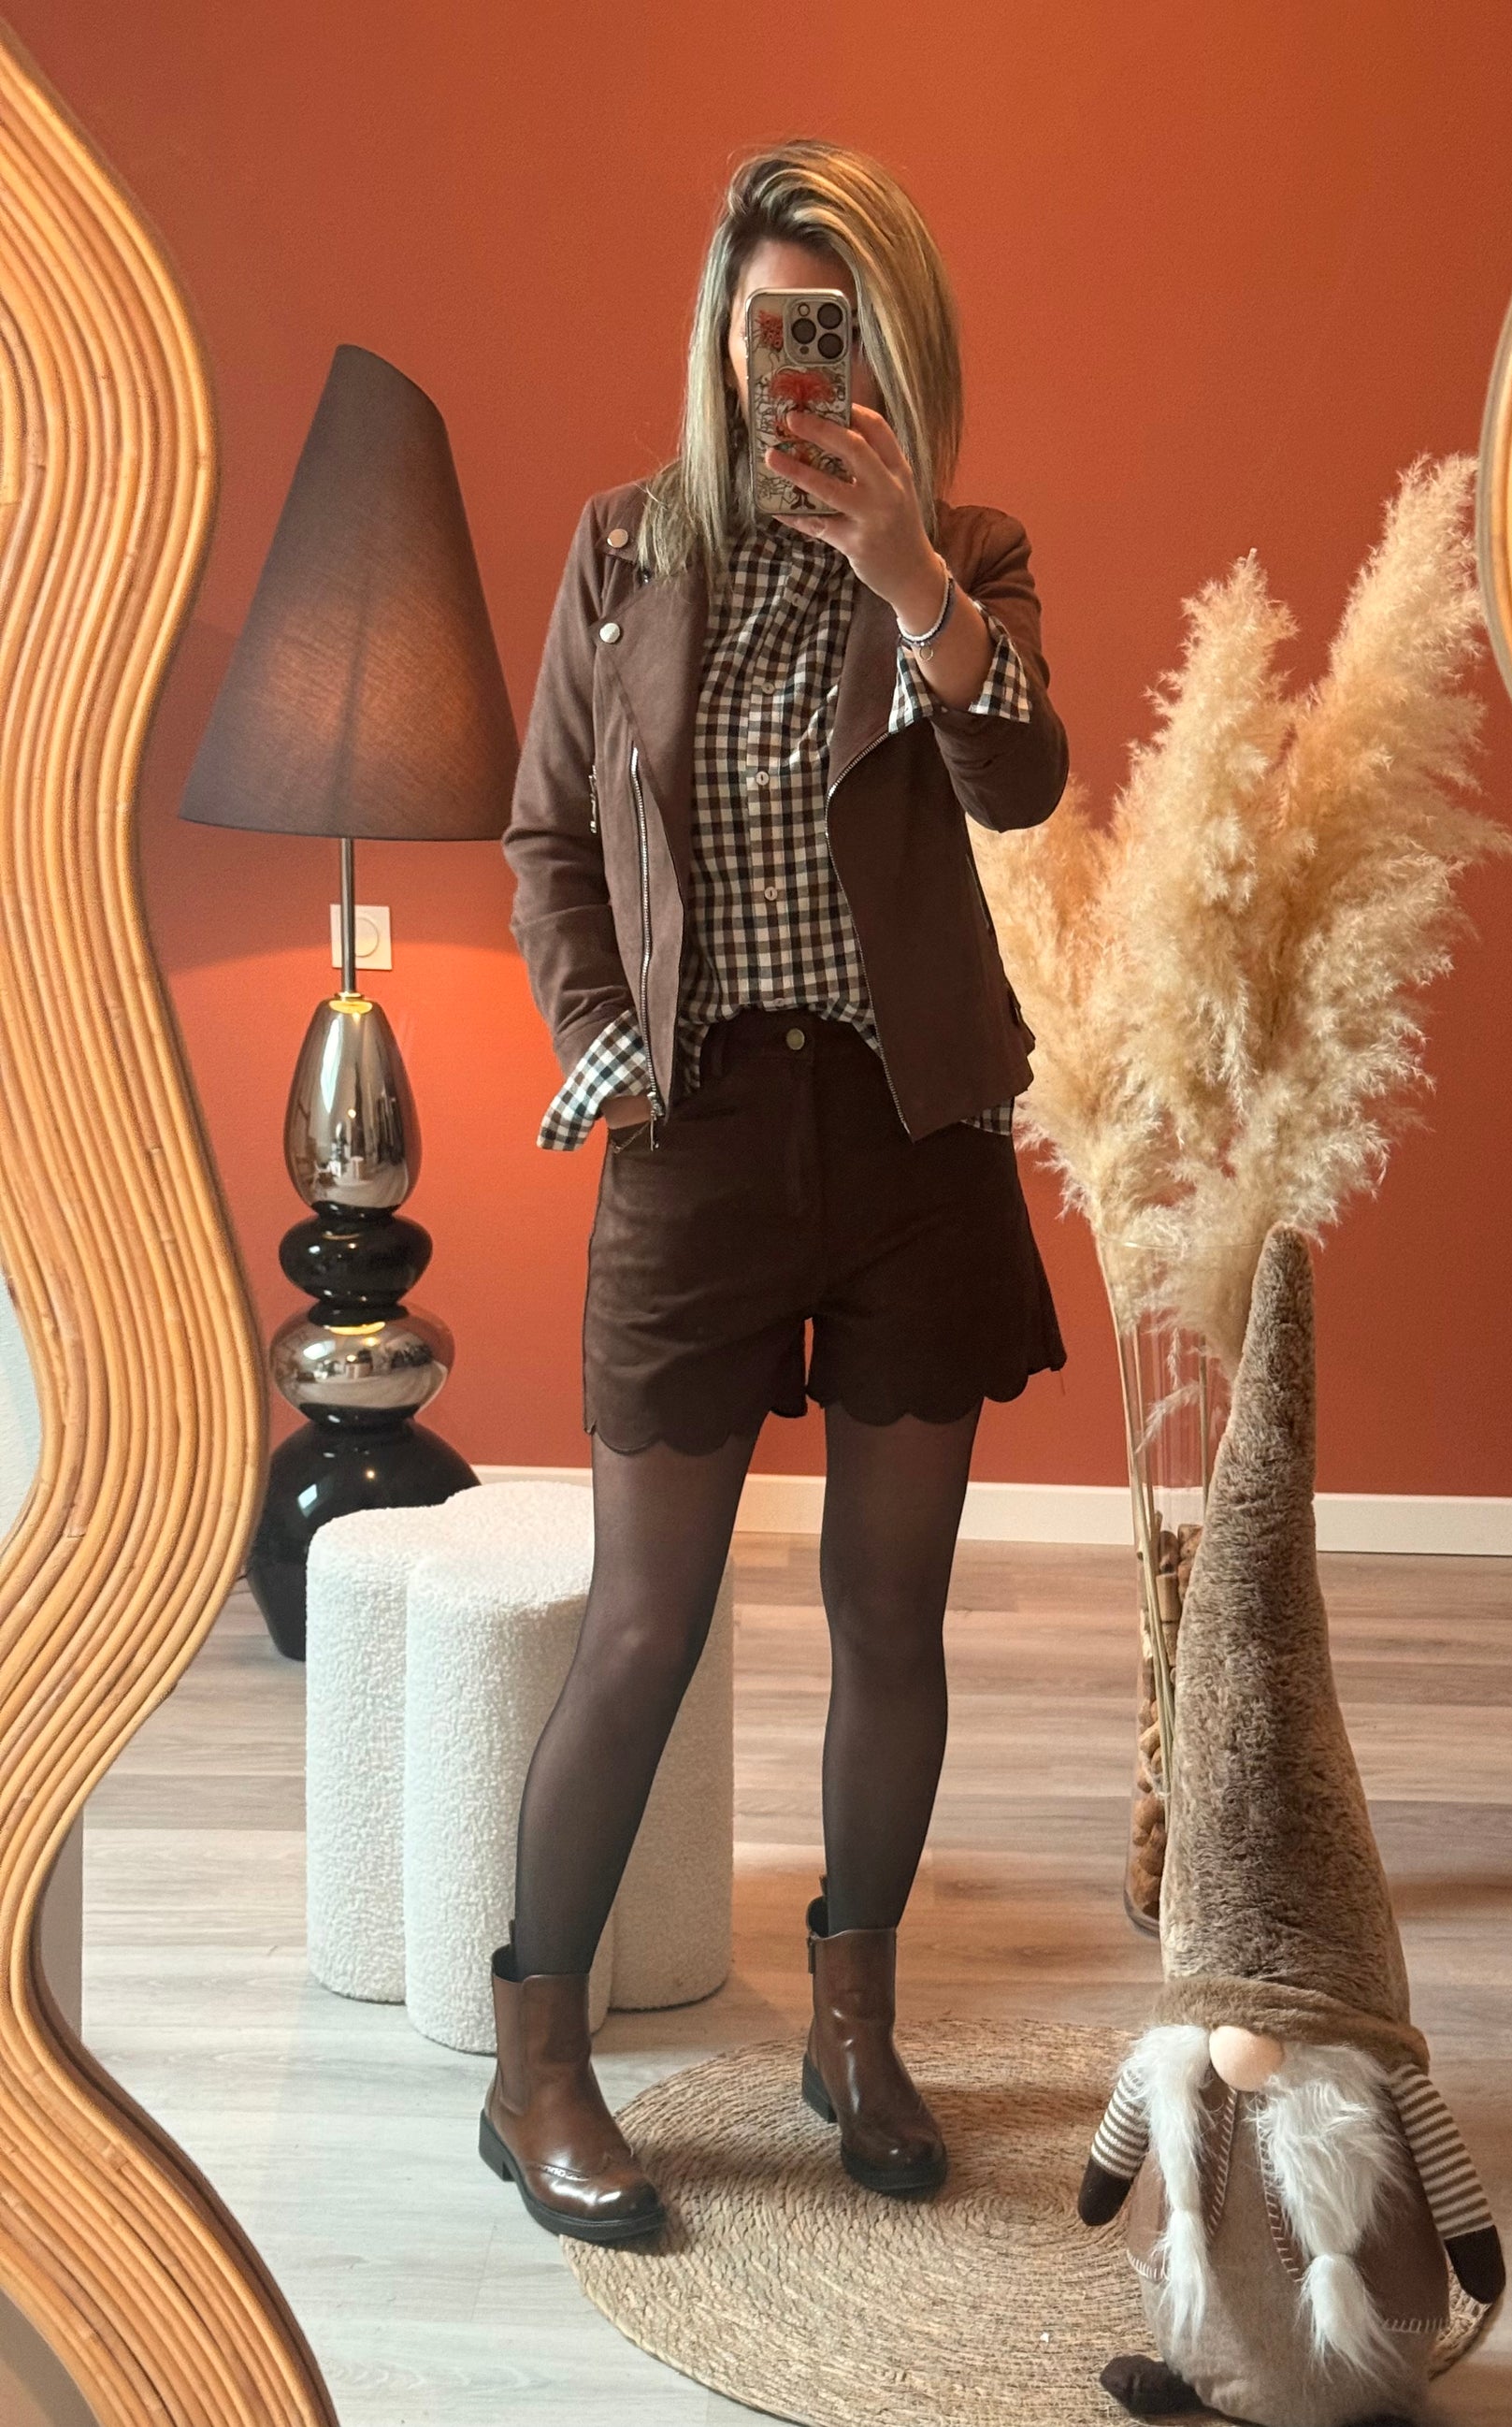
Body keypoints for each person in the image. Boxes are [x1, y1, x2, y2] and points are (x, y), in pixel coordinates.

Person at [481, 137, 1069, 2247]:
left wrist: (913, 579)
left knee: (889, 1612)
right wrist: (600, 1036)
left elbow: (1023, 780)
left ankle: (852, 2027)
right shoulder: (624, 546)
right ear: (720, 342)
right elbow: (550, 836)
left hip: (915, 1140)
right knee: (644, 1619)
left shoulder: (967, 554)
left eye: (832, 331)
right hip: (698, 1135)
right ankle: (534, 2065)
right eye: (763, 329)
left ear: (893, 347)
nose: (789, 370)